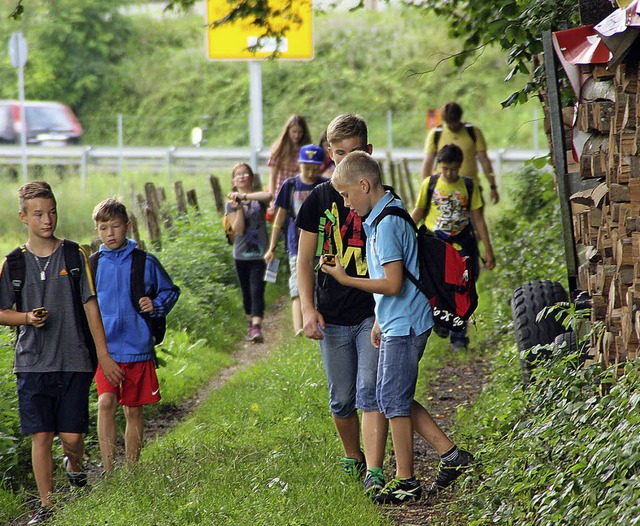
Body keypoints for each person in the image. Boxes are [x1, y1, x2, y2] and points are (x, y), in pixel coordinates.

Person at [321, 151, 474, 504]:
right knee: (392, 395)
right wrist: (378, 319)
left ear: (364, 184)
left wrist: (346, 279)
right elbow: (397, 280)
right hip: (394, 320)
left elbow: (391, 283)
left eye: (346, 195)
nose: (345, 204)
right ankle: (452, 457)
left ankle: (407, 481)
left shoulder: (387, 223)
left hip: (406, 324)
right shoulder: (380, 216)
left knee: (393, 399)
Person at [0, 181, 125, 525]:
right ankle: (47, 505)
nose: (47, 219)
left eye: (52, 211)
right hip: (31, 363)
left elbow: (90, 306)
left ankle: (75, 468)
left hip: (74, 359)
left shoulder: (74, 254)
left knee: (71, 437)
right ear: (23, 217)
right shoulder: (13, 262)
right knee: (40, 434)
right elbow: (1, 311)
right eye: (38, 214)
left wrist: (103, 355)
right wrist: (26, 317)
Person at [295, 114, 388, 496]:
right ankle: (354, 457)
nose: (345, 161)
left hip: (371, 310)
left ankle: (376, 469)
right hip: (331, 313)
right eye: (338, 154)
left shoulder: (379, 196)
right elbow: (303, 260)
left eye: (353, 153)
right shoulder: (319, 198)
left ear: (367, 153)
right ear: (329, 155)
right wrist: (307, 308)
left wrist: (387, 313)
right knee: (341, 396)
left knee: (370, 389)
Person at [92, 198, 180, 473]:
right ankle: (108, 470)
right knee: (105, 402)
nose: (110, 234)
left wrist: (156, 305)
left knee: (133, 410)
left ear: (128, 227)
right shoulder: (92, 265)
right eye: (104, 228)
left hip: (138, 347)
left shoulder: (144, 261)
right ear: (97, 231)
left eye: (115, 226)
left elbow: (170, 290)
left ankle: (131, 470)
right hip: (106, 350)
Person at [412, 144, 496, 350]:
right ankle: (441, 322)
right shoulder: (430, 184)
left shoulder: (468, 185)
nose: (449, 173)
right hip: (435, 244)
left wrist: (487, 249)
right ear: (438, 166)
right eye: (445, 169)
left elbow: (478, 218)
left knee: (461, 290)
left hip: (461, 243)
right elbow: (419, 211)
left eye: (453, 169)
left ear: (460, 167)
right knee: (436, 287)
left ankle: (458, 338)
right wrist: (402, 233)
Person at [264, 144, 328, 334]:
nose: (310, 172)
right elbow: (280, 217)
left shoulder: (324, 186)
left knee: (321, 284)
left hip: (322, 245)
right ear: (299, 165)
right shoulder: (290, 186)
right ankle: (298, 328)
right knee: (297, 284)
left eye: (315, 168)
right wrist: (272, 247)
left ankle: (319, 322)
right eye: (306, 167)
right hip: (296, 245)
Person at [225, 163, 272, 342]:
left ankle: (257, 327)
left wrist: (244, 196)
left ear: (252, 178)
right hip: (241, 254)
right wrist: (237, 208)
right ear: (233, 180)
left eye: (246, 173)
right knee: (246, 292)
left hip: (261, 255)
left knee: (257, 289)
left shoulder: (258, 198)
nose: (242, 177)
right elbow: (238, 229)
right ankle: (250, 324)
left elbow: (268, 195)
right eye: (238, 174)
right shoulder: (230, 205)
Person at [422, 101, 500, 206]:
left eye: (455, 122)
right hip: (443, 190)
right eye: (449, 123)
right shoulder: (436, 133)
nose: (453, 126)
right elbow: (428, 163)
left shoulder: (473, 132)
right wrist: (426, 190)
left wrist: (493, 186)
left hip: (471, 189)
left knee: (476, 220)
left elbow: (485, 161)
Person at [267, 114, 312, 220]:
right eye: (294, 132)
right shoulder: (279, 149)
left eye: (300, 132)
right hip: (282, 194)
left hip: (300, 194)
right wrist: (272, 200)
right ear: (288, 131)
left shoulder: (306, 150)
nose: (297, 135)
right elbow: (273, 178)